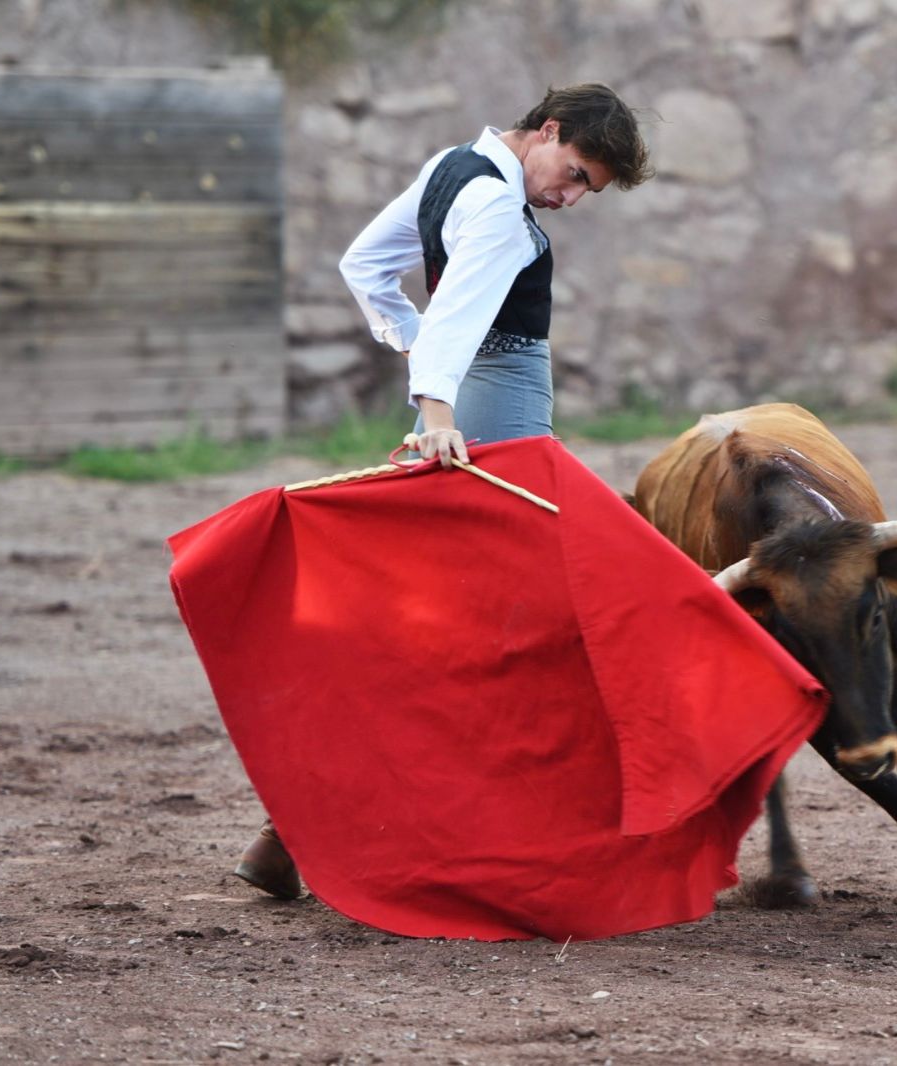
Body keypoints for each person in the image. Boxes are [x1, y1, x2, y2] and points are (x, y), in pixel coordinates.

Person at [232, 83, 653, 900]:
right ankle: (543, 843)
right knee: (517, 625)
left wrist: (417, 356)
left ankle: (288, 829)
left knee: (436, 619)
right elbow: (457, 316)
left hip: (469, 405)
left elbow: (364, 267)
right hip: (494, 415)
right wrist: (436, 410)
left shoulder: (450, 167)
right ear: (549, 130)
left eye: (586, 192)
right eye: (573, 174)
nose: (569, 198)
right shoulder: (496, 206)